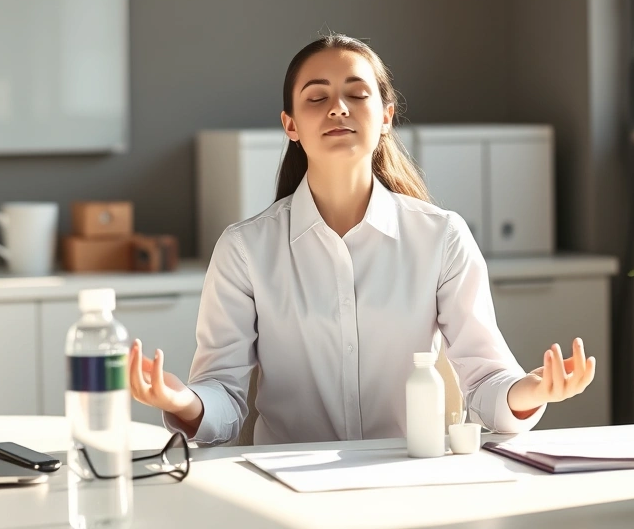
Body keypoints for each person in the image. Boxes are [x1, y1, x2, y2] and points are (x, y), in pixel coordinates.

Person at [129, 34, 596, 446]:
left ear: (386, 116)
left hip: (405, 483)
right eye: (317, 98)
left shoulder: (441, 237)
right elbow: (223, 401)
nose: (338, 108)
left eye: (357, 94)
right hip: (287, 491)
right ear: (290, 125)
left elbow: (487, 380)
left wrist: (531, 390)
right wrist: (182, 399)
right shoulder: (245, 250)